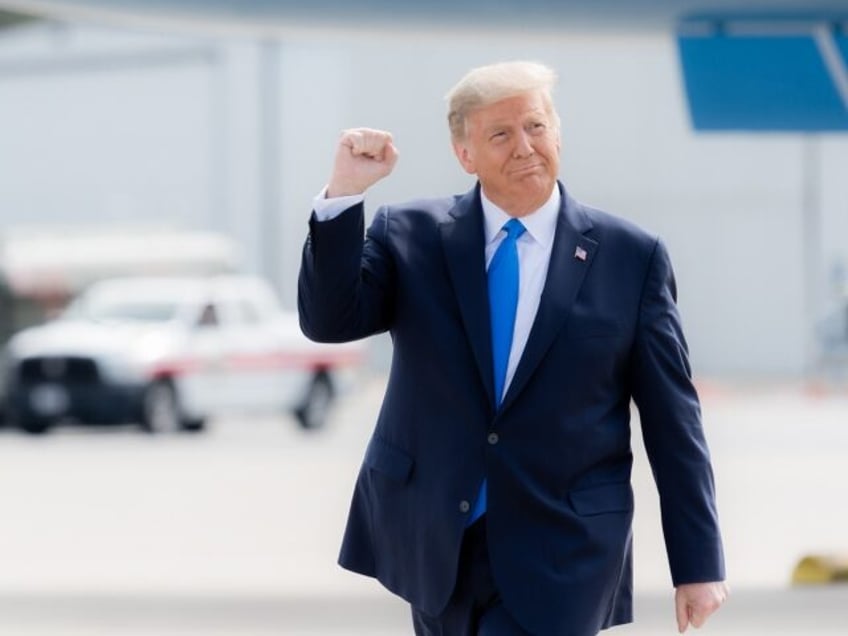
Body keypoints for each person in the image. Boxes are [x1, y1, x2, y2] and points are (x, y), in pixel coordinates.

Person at [298, 60, 728, 635]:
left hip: (562, 549)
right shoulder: (411, 237)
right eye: (501, 134)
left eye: (536, 127)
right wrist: (345, 194)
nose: (525, 147)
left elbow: (675, 422)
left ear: (558, 133)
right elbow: (329, 320)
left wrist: (697, 565)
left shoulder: (631, 257)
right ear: (465, 155)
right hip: (436, 543)